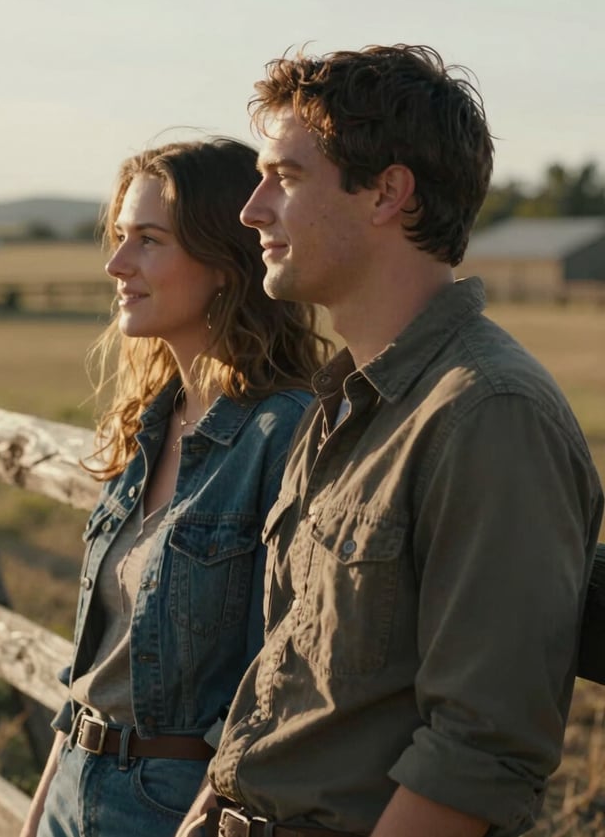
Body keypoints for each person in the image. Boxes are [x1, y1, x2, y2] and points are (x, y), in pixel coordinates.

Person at [178, 45, 604, 837]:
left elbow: (481, 754)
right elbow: (287, 681)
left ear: (388, 193)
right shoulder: (343, 402)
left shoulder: (488, 414)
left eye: (287, 177)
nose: (253, 208)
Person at [19, 137, 332, 837]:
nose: (117, 264)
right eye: (121, 237)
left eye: (149, 241)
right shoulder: (149, 422)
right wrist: (40, 808)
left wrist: (201, 817)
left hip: (169, 806)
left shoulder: (282, 435)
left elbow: (274, 680)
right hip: (73, 782)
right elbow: (97, 665)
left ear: (224, 262)